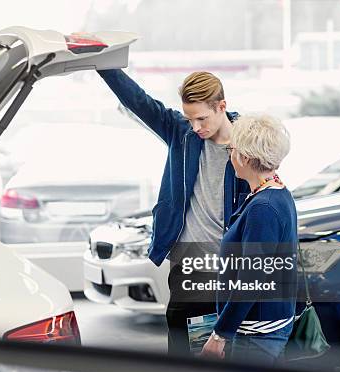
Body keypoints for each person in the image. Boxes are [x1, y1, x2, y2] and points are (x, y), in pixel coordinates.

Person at [96, 68, 250, 355]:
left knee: (225, 353)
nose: (195, 127)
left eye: (202, 118)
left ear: (222, 107)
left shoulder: (249, 142)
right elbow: (138, 101)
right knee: (181, 353)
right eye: (190, 119)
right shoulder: (181, 133)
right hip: (187, 262)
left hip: (229, 267)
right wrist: (104, 65)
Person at [200, 114, 297, 365]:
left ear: (243, 157)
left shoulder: (263, 208)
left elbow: (251, 281)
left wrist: (220, 335)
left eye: (231, 149)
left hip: (256, 334)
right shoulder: (278, 192)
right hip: (266, 326)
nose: (230, 155)